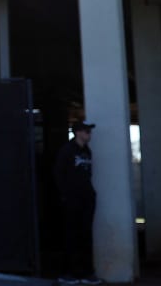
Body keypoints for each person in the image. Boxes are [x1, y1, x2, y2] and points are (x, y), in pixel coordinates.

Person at [53, 121, 102, 285]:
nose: (89, 134)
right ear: (78, 132)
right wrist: (66, 195)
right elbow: (59, 174)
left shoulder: (87, 151)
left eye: (89, 131)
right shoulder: (67, 150)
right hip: (73, 199)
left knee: (85, 235)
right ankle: (69, 273)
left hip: (86, 198)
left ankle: (86, 273)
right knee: (72, 235)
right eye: (87, 131)